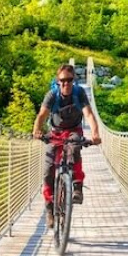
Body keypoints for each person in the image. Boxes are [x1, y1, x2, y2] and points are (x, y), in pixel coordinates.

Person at [32, 64, 101, 229]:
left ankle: (77, 187)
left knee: (74, 149)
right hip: (55, 132)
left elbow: (89, 114)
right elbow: (42, 115)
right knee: (48, 170)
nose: (66, 84)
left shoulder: (79, 93)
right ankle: (50, 207)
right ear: (58, 81)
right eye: (63, 80)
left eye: (69, 80)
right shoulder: (52, 95)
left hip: (73, 131)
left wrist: (95, 134)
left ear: (73, 80)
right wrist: (36, 131)